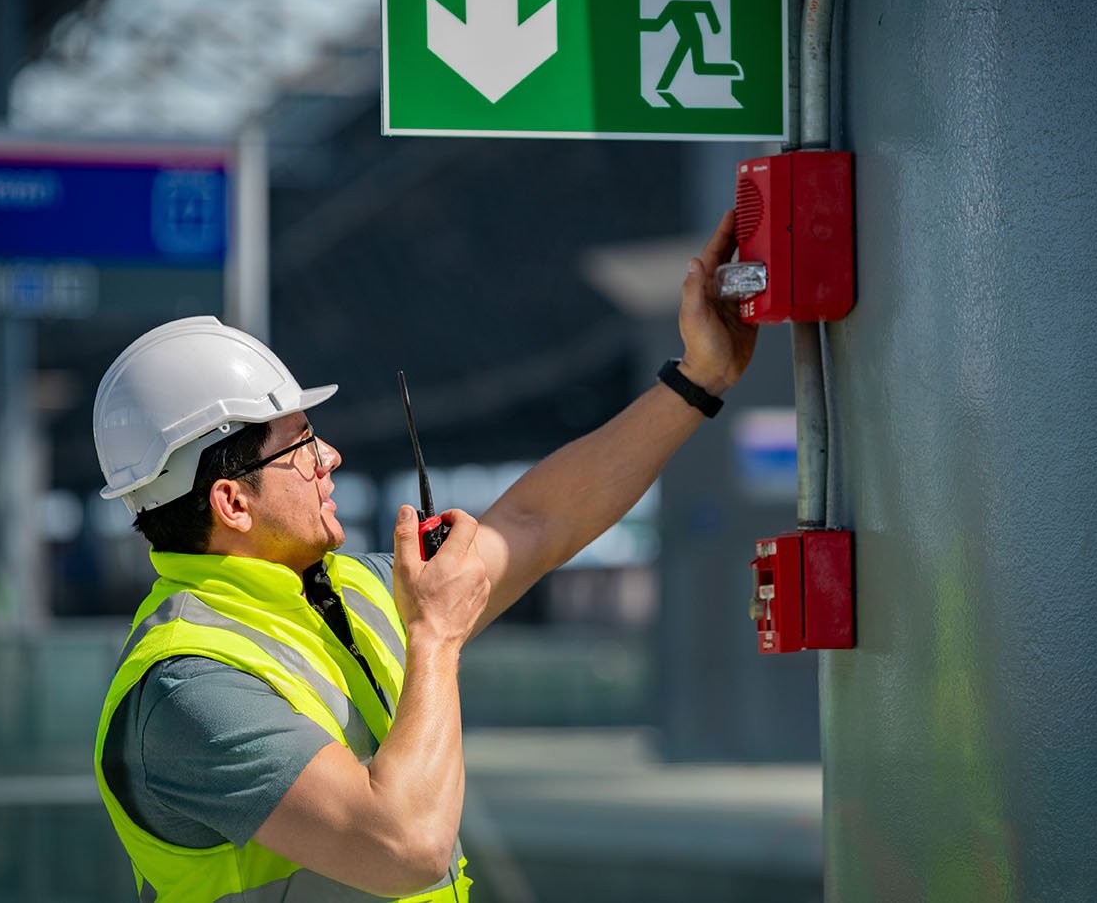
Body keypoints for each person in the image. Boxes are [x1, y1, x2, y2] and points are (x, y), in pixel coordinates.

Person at [92, 211, 756, 902]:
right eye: (300, 445)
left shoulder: (354, 591)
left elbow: (538, 522)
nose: (329, 458)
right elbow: (406, 848)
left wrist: (697, 380)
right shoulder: (190, 689)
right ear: (232, 502)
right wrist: (435, 634)